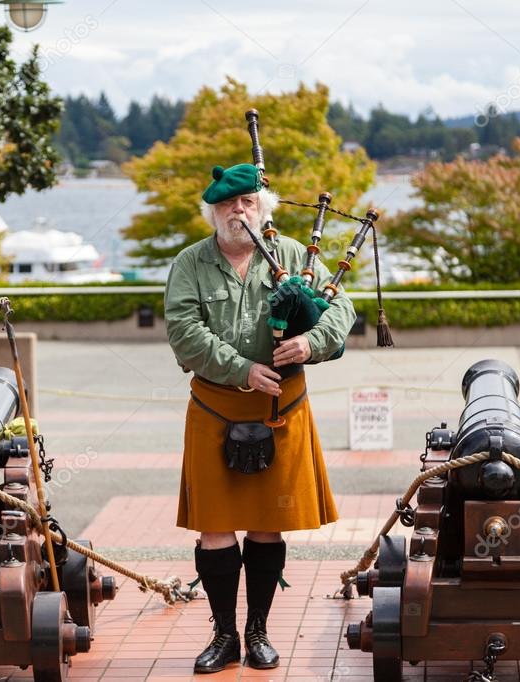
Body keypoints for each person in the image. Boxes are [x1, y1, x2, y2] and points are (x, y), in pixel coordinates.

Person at [164, 163, 356, 673]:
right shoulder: (190, 263)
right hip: (216, 405)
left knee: (268, 526)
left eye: (247, 202)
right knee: (214, 527)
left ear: (262, 207)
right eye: (226, 204)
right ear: (212, 213)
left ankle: (258, 632)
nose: (237, 211)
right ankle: (224, 635)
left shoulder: (291, 254)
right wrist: (243, 369)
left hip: (282, 409)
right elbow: (183, 332)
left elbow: (342, 310)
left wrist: (310, 342)